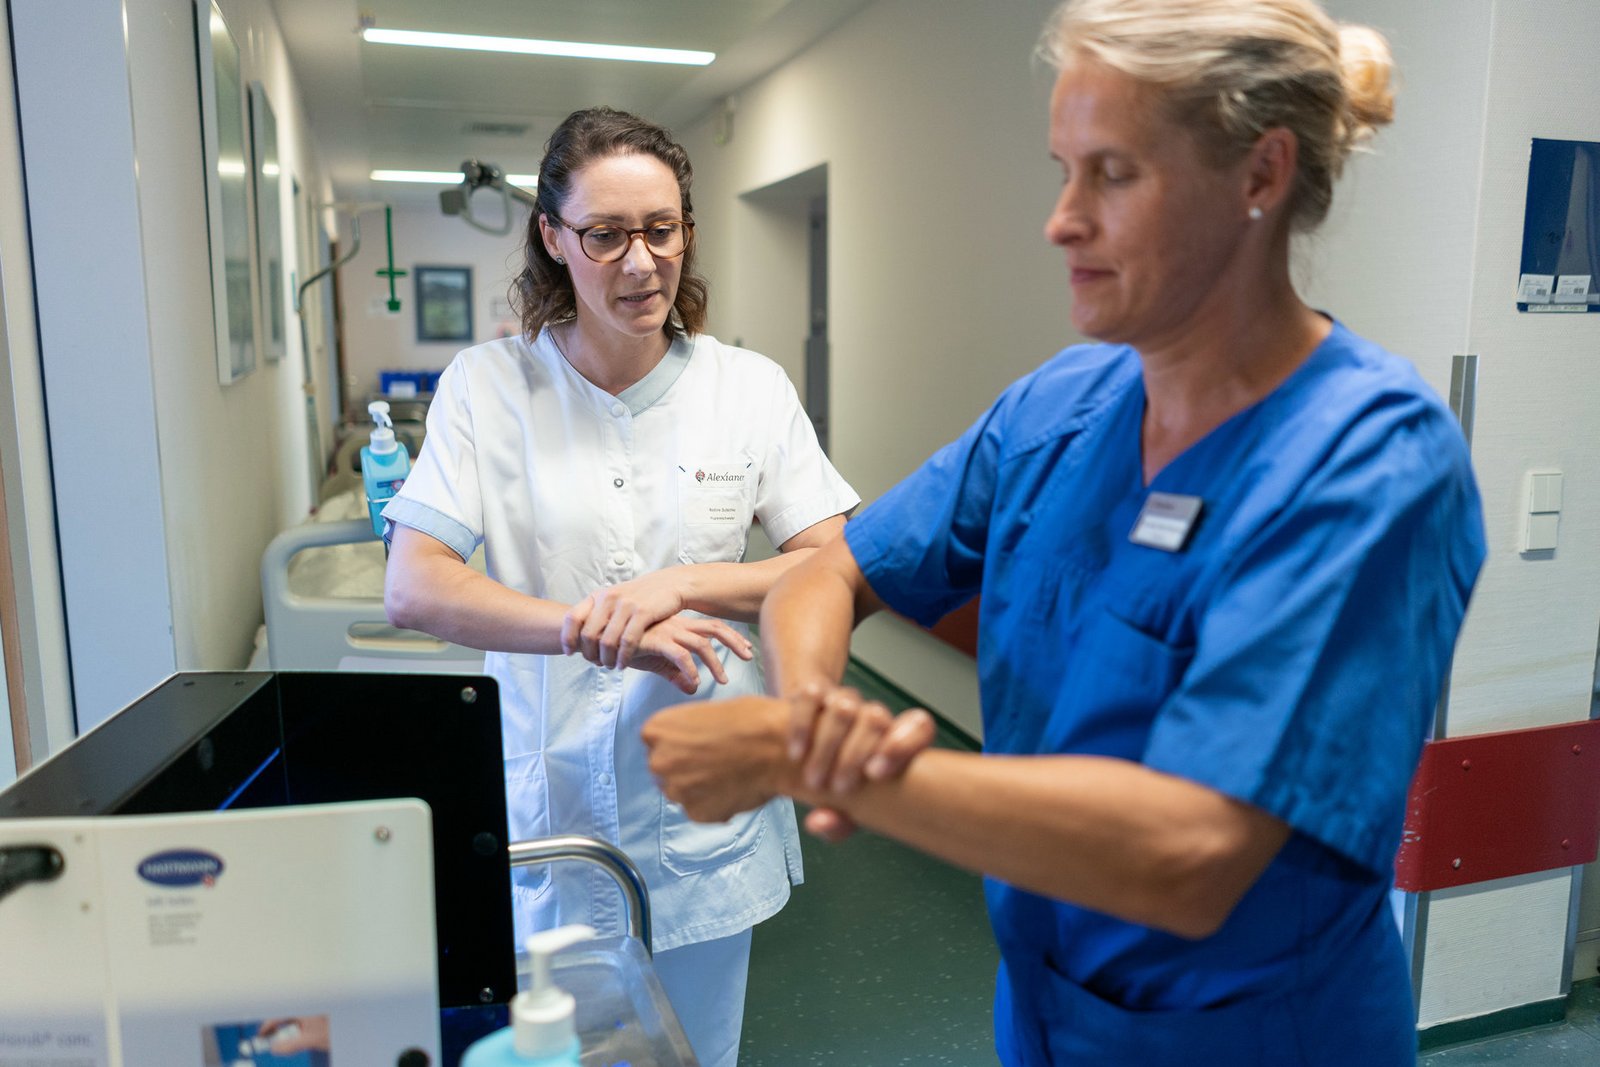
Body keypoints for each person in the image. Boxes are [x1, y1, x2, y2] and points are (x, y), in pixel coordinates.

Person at [641, 1, 1486, 1063]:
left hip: (1255, 1037)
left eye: (1113, 173)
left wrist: (812, 763)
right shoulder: (1062, 407)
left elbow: (1191, 847)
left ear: (1259, 177)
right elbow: (831, 573)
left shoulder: (1368, 458)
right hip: (1046, 1012)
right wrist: (815, 712)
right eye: (1062, 170)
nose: (1062, 219)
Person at [382, 106, 858, 1067]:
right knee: (554, 1053)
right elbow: (416, 585)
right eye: (605, 235)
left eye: (661, 229)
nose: (639, 262)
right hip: (548, 810)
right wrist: (587, 628)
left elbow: (834, 561)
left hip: (701, 811)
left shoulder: (749, 390)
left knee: (692, 1054)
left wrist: (687, 585)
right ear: (555, 239)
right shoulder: (489, 386)